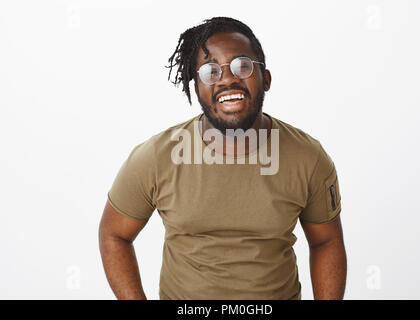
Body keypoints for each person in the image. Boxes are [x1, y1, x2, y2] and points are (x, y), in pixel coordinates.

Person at [99, 17, 347, 300]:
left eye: (243, 66)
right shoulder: (156, 157)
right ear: (196, 88)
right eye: (210, 71)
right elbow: (114, 234)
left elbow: (325, 241)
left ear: (265, 79)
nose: (228, 78)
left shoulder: (308, 158)